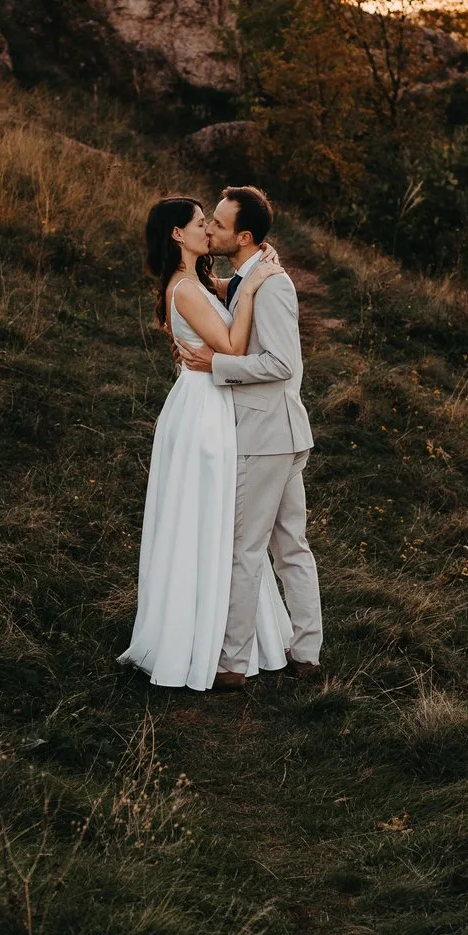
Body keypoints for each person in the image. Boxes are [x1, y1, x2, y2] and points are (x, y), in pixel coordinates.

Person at [122, 196, 296, 691]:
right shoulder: (187, 289)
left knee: (214, 520)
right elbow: (234, 347)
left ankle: (220, 632)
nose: (208, 230)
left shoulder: (194, 283)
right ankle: (200, 638)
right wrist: (260, 280)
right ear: (178, 235)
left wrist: (246, 277)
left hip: (204, 402)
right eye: (201, 223)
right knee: (209, 520)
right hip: (204, 410)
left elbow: (219, 292)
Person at [175, 185, 322, 686]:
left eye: (217, 223)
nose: (209, 228)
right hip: (279, 433)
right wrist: (223, 286)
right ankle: (307, 652)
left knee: (247, 547)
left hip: (266, 436)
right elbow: (232, 294)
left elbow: (282, 363)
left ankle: (232, 663)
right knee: (290, 546)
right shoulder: (247, 276)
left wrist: (217, 363)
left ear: (244, 235)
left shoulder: (273, 284)